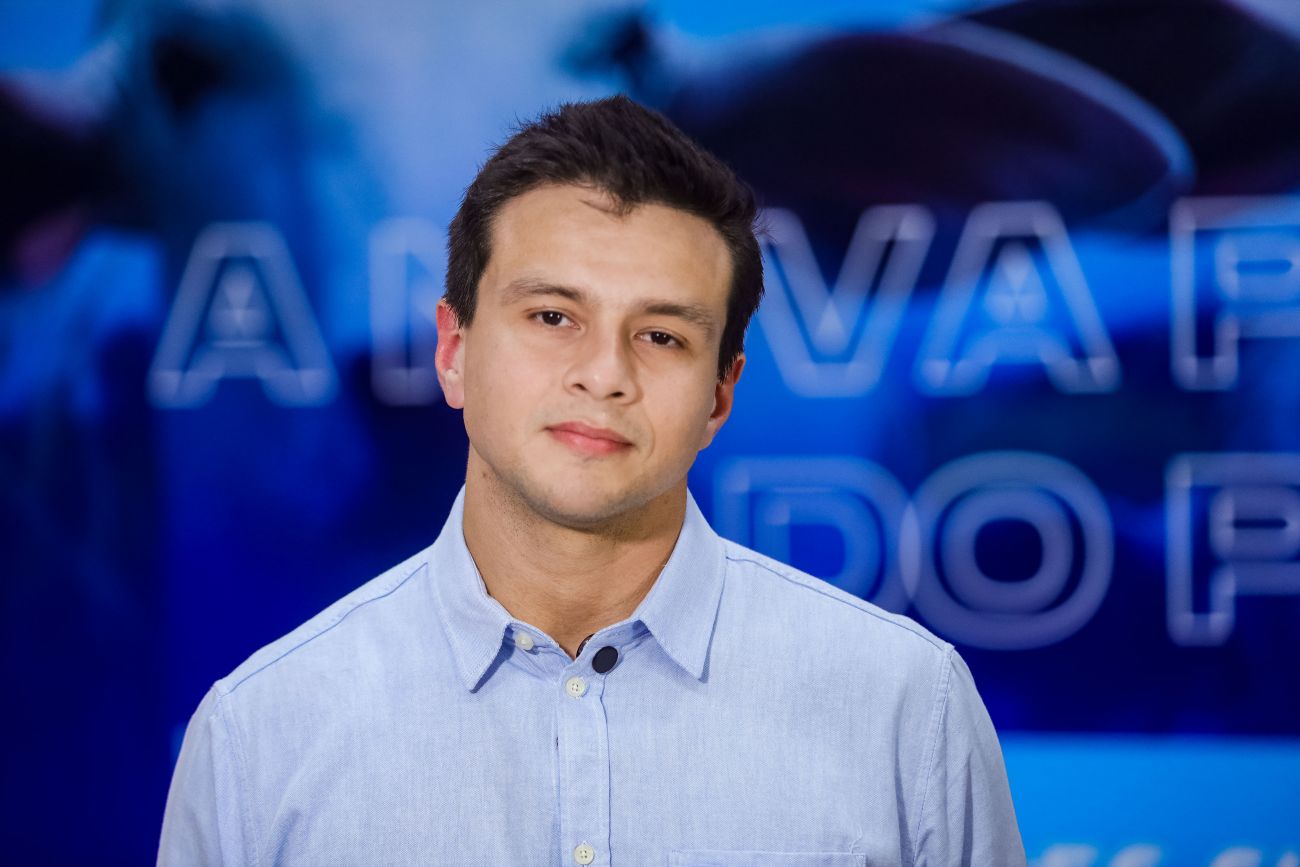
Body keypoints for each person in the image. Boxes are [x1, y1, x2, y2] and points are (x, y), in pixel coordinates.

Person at [158, 94, 1025, 866]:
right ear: (453, 351)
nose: (604, 374)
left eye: (662, 336)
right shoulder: (259, 735)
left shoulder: (906, 707)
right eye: (552, 316)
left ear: (720, 395)